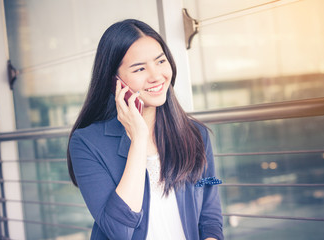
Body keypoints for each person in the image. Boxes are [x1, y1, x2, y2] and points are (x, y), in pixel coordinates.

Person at [67, 19, 223, 240]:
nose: (156, 75)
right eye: (140, 68)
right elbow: (118, 230)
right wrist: (138, 140)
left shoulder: (195, 134)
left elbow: (209, 212)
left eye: (160, 61)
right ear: (115, 81)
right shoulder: (87, 143)